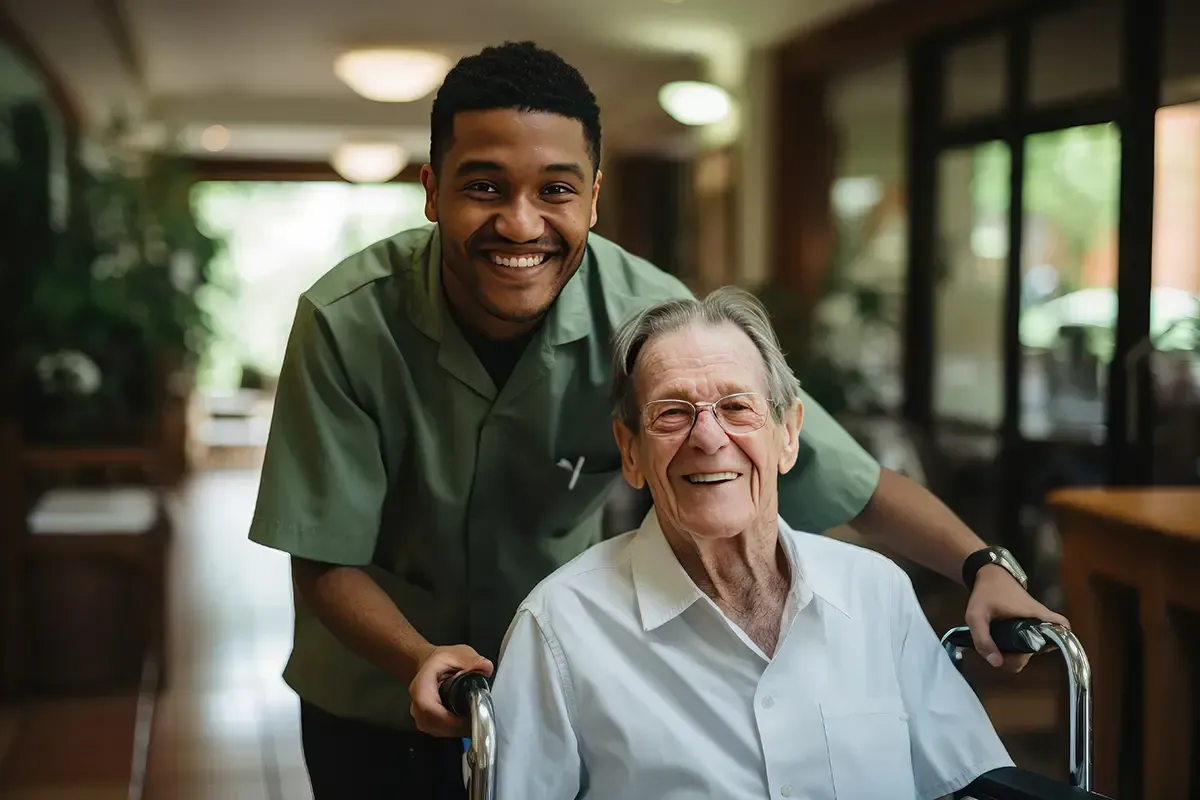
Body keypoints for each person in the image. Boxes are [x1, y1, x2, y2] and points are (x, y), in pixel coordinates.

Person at [247, 40, 1065, 799]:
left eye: (556, 190)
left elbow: (833, 472)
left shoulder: (648, 320)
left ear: (594, 197)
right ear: (432, 190)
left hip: (566, 685)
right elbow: (323, 556)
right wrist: (415, 658)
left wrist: (982, 565)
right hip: (376, 692)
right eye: (485, 186)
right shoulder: (346, 322)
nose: (522, 224)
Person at [490, 287, 1015, 799]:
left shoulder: (874, 591)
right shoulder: (560, 625)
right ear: (631, 453)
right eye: (672, 412)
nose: (708, 437)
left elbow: (970, 781)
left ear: (788, 435)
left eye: (737, 407)